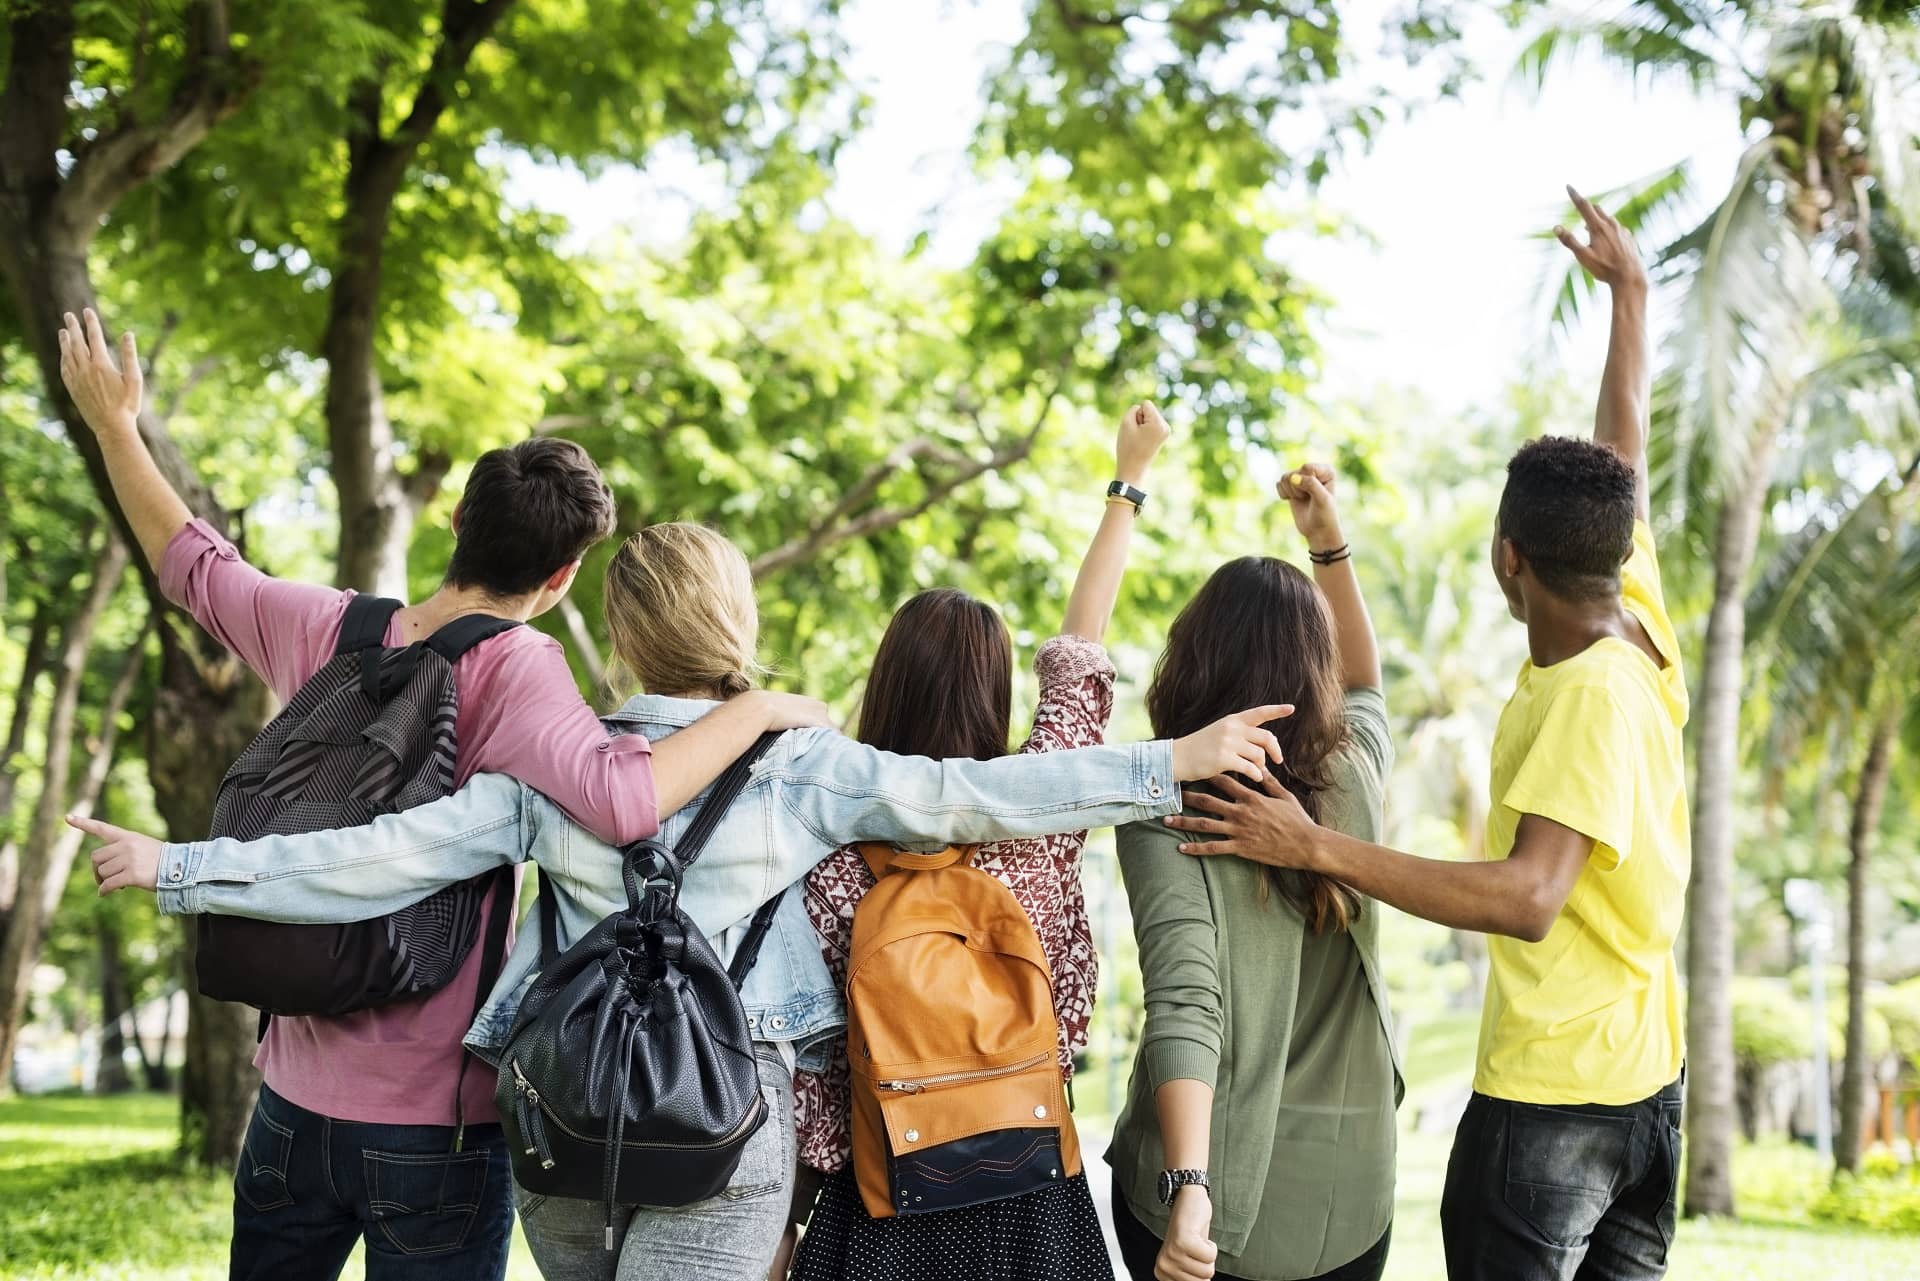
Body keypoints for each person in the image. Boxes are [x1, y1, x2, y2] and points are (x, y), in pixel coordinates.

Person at [77, 520, 1291, 1281]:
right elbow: (986, 796)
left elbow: (374, 857)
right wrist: (1166, 763)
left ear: (616, 636)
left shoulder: (550, 768)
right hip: (727, 1126)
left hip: (561, 1123)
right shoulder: (802, 764)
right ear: (738, 626)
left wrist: (181, 866)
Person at [56, 310, 819, 1281]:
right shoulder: (522, 670)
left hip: (289, 1102)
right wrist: (757, 713)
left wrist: (116, 423)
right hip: (434, 1126)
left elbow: (194, 569)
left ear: (454, 519)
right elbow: (624, 802)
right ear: (561, 577)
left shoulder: (330, 627)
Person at [1165, 190, 1688, 1281]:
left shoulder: (1590, 694)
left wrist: (1311, 846)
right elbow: (1621, 456)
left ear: (1509, 561)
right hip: (1648, 1086)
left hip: (1558, 1107)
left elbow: (1529, 897)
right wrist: (1632, 300)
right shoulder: (1634, 610)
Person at [786, 401, 1172, 1281]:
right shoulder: (1037, 818)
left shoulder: (830, 844)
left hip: (883, 1192)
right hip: (1029, 1186)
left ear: (885, 686)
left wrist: (787, 1224)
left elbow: (814, 1070)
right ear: (994, 694)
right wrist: (1129, 479)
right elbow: (1081, 653)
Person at [1104, 465, 1399, 1281]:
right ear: (1316, 666)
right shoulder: (1353, 776)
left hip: (1209, 1204)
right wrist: (1327, 545)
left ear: (1192, 657)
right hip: (1348, 1201)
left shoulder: (1169, 804)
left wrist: (1189, 1186)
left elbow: (1185, 1001)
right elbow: (1367, 683)